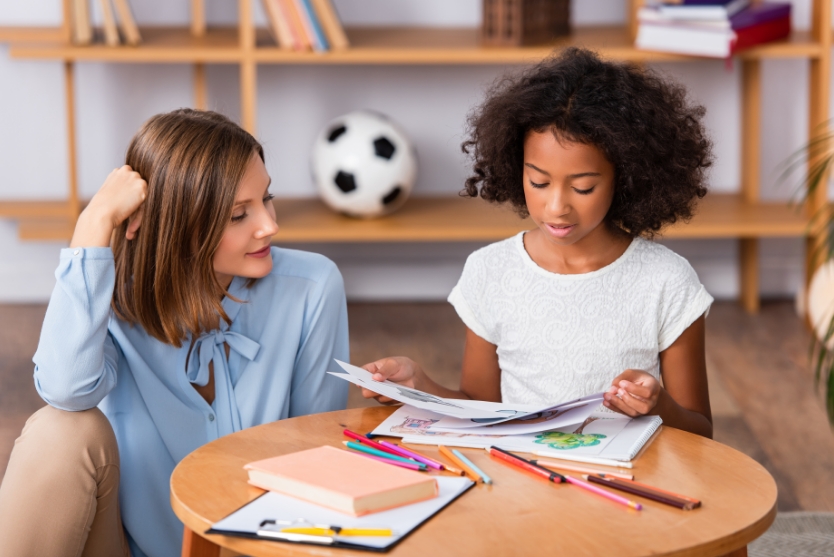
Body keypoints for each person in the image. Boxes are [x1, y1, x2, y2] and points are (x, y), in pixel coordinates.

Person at [0, 109, 349, 557]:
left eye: (267, 197)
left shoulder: (313, 288)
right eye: (239, 214)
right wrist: (93, 225)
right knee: (59, 429)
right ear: (178, 227)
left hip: (261, 548)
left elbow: (316, 459)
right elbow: (65, 388)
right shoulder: (109, 302)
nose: (269, 226)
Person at [360, 47, 715, 439]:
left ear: (626, 177)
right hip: (525, 484)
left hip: (624, 485)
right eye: (539, 182)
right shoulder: (491, 270)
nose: (556, 206)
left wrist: (659, 406)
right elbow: (482, 408)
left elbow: (700, 432)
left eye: (583, 187)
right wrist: (420, 386)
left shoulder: (666, 280)